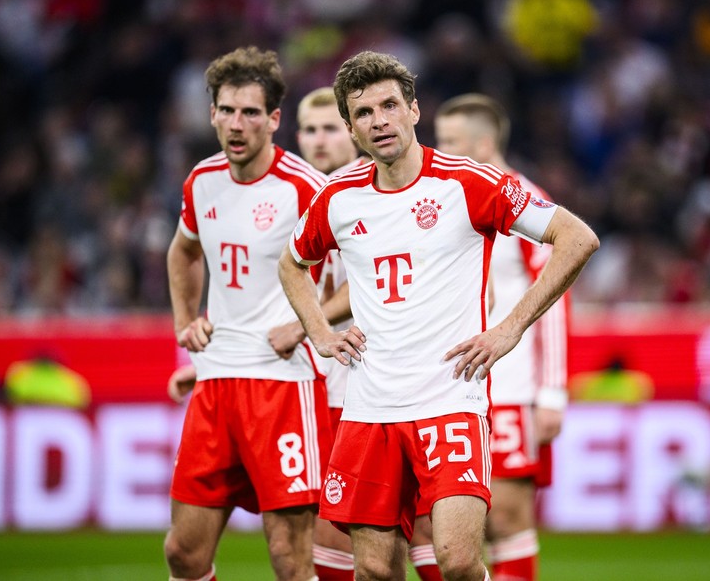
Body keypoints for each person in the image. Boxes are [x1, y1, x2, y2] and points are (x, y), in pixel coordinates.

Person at [278, 51, 599, 581]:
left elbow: (577, 237)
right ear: (352, 127)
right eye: (363, 113)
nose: (379, 120)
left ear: (414, 111)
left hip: (449, 399)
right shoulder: (337, 198)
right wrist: (319, 332)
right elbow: (292, 264)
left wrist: (508, 329)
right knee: (375, 570)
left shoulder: (469, 182)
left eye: (389, 105)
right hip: (368, 407)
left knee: (457, 558)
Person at [164, 46, 333, 581]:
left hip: (282, 385)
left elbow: (366, 275)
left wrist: (308, 323)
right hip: (216, 383)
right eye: (227, 110)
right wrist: (185, 321)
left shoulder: (305, 187)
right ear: (212, 112)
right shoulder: (202, 180)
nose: (237, 124)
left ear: (275, 119)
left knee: (288, 557)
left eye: (251, 112)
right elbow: (183, 250)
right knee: (183, 554)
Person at [410, 92, 571, 581]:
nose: (439, 150)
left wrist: (551, 393)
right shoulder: (445, 195)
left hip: (511, 387)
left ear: (482, 143)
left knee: (505, 517)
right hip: (447, 385)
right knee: (427, 523)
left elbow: (555, 298)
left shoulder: (522, 197)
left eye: (451, 142)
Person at [268, 86, 364, 580]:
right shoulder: (299, 193)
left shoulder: (367, 190)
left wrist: (308, 324)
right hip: (308, 373)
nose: (319, 140)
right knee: (306, 525)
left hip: (354, 370)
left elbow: (365, 285)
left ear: (352, 131)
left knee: (349, 525)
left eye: (330, 128)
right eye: (309, 129)